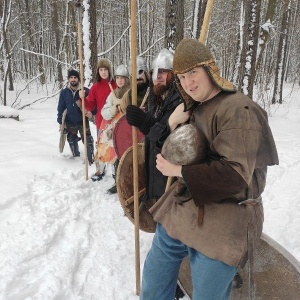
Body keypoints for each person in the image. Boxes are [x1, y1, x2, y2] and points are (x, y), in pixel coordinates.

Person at [140, 38, 279, 300]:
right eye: (181, 77)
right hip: (185, 208)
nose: (188, 82)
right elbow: (178, 148)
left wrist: (179, 171)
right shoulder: (194, 107)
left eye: (193, 72)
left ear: (209, 69)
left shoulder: (240, 110)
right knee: (153, 282)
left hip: (226, 215)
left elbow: (235, 175)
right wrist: (171, 125)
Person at [125, 49, 182, 231]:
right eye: (154, 72)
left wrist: (146, 123)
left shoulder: (182, 102)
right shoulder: (154, 99)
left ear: (174, 74)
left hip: (171, 184)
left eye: (162, 72)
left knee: (173, 233)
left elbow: (175, 143)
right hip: (154, 179)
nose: (157, 76)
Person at [79, 59, 117, 181]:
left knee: (115, 146)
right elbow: (90, 105)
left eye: (105, 70)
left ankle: (116, 172)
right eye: (101, 70)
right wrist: (83, 98)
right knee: (101, 146)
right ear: (98, 72)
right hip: (101, 123)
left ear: (109, 71)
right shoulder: (95, 87)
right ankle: (100, 170)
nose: (103, 72)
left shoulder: (115, 84)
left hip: (115, 121)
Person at [101, 64, 130, 194]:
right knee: (116, 157)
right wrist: (113, 109)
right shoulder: (112, 95)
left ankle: (128, 182)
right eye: (117, 77)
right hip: (116, 130)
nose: (119, 80)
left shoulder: (132, 92)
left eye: (122, 78)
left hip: (129, 130)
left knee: (128, 157)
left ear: (127, 79)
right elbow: (104, 112)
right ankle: (117, 182)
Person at [57, 70, 94, 164]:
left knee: (88, 140)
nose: (73, 79)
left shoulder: (84, 91)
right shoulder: (64, 93)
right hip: (70, 121)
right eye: (71, 77)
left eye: (75, 77)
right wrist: (60, 122)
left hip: (82, 120)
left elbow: (92, 105)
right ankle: (76, 156)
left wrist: (90, 112)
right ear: (69, 79)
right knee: (71, 139)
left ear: (78, 79)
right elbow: (61, 108)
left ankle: (91, 159)